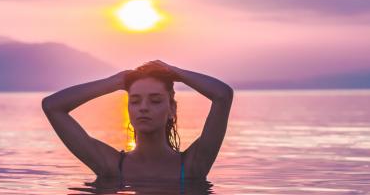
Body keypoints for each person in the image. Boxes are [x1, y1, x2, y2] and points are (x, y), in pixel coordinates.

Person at [41, 59, 234, 183]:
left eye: (155, 100)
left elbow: (223, 95)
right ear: (129, 109)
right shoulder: (111, 166)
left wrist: (175, 73)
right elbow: (52, 106)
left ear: (172, 109)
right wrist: (114, 82)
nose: (143, 107)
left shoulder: (193, 166)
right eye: (135, 101)